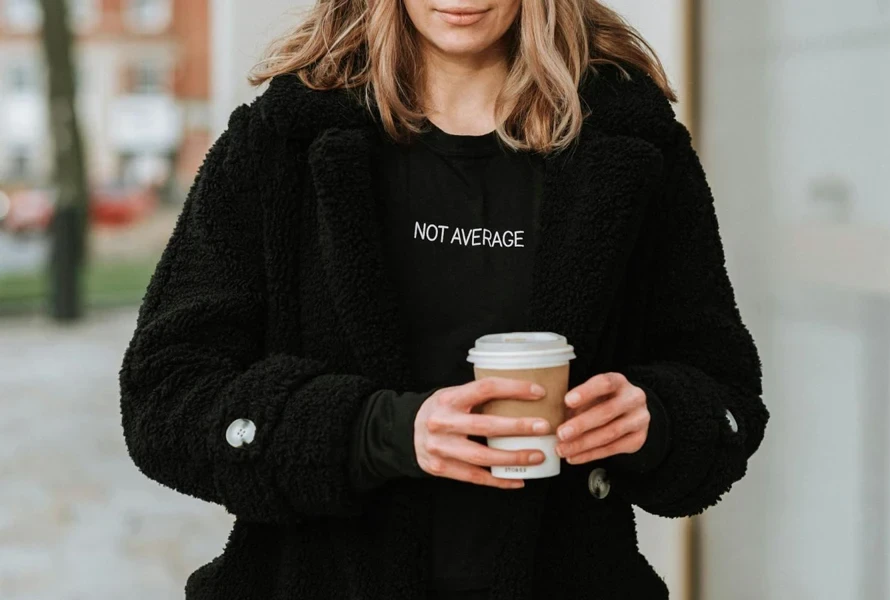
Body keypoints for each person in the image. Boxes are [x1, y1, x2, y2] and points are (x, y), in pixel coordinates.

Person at [119, 0, 769, 598]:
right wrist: (377, 432)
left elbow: (725, 394)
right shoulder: (281, 142)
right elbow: (165, 398)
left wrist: (656, 419)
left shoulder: (633, 147)